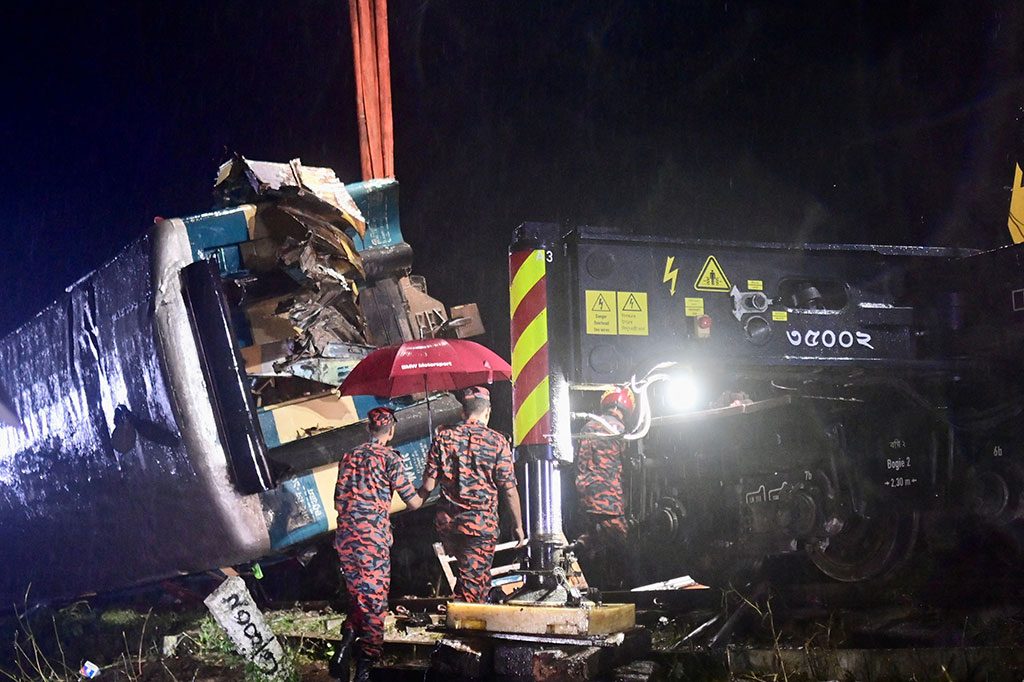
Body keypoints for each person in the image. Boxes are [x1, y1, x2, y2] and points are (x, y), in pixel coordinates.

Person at [330, 407, 422, 682]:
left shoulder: (348, 457)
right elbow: (413, 501)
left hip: (346, 536)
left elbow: (338, 497)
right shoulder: (390, 459)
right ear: (391, 430)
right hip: (372, 539)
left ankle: (345, 646)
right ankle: (366, 667)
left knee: (359, 596)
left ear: (369, 429)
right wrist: (431, 483)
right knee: (375, 601)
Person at [417, 385, 526, 603]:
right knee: (472, 585)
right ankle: (465, 629)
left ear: (462, 412)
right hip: (479, 526)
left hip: (449, 525)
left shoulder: (443, 438)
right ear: (488, 411)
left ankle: (475, 618)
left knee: (473, 576)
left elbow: (428, 486)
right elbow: (509, 490)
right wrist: (518, 526)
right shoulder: (497, 441)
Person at [573, 386, 635, 588]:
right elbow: (628, 465)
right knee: (624, 543)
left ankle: (580, 563)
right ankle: (626, 588)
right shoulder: (620, 431)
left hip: (584, 495)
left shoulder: (587, 427)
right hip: (607, 499)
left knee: (594, 539)